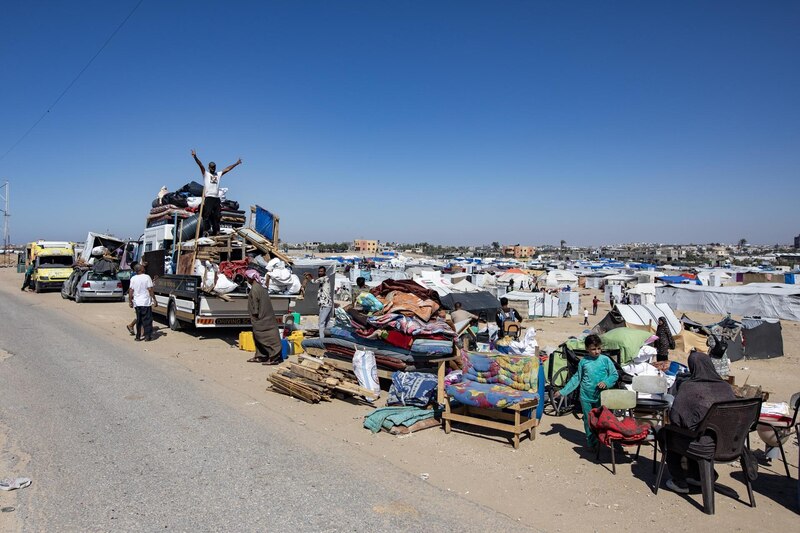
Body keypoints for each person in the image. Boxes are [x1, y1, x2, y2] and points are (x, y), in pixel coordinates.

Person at [658, 352, 735, 494]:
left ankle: (679, 480)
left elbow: (676, 417)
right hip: (730, 445)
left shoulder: (689, 387)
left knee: (666, 434)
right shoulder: (726, 386)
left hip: (704, 446)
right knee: (696, 432)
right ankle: (698, 475)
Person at [554, 334, 618, 450]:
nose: (597, 351)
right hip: (585, 396)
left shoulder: (605, 360)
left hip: (601, 397)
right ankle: (591, 443)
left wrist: (606, 382)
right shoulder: (583, 362)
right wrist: (563, 391)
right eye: (593, 349)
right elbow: (576, 379)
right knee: (588, 420)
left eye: (599, 348)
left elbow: (614, 375)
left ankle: (609, 441)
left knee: (604, 419)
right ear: (587, 349)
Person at [191, 149, 242, 236]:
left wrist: (236, 164)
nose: (213, 168)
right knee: (206, 215)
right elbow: (200, 165)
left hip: (216, 198)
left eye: (214, 167)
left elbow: (227, 169)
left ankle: (216, 231)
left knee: (217, 216)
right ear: (209, 167)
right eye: (211, 167)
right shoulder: (206, 174)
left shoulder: (218, 174)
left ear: (215, 167)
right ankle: (206, 230)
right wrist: (195, 157)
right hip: (209, 198)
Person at [246, 271, 282, 365]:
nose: (247, 280)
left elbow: (255, 304)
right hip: (265, 317)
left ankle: (274, 357)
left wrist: (255, 315)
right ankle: (261, 356)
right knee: (257, 336)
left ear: (251, 278)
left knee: (264, 336)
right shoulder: (261, 287)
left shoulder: (255, 289)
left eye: (247, 278)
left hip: (260, 318)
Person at [303, 266, 333, 339]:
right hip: (326, 304)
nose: (320, 273)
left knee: (321, 323)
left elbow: (314, 281)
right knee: (326, 322)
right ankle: (328, 337)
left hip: (325, 304)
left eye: (321, 271)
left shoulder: (324, 278)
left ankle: (322, 339)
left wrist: (308, 276)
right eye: (319, 271)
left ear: (324, 272)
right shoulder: (324, 279)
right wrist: (310, 276)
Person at [128, 264, 156, 341]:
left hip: (137, 303)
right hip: (145, 302)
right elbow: (150, 289)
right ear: (140, 269)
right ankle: (147, 336)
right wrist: (154, 300)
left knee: (139, 320)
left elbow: (131, 290)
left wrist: (130, 301)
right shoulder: (147, 277)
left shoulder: (133, 278)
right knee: (147, 320)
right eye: (143, 267)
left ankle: (138, 337)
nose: (144, 268)